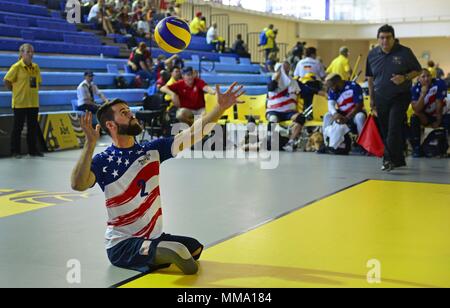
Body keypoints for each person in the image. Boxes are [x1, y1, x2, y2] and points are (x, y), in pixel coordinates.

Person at [70, 83, 245, 274]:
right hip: (122, 245)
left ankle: (153, 255)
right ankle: (154, 255)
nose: (131, 114)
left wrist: (219, 109)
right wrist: (89, 145)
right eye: (124, 113)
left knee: (194, 247)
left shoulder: (152, 149)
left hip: (154, 237)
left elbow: (193, 133)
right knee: (179, 252)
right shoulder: (103, 160)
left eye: (129, 110)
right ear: (111, 125)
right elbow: (78, 184)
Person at [366, 24, 421, 171]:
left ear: (393, 38)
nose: (385, 41)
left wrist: (404, 77)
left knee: (394, 127)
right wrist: (372, 99)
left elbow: (418, 70)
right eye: (382, 38)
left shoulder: (404, 52)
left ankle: (387, 160)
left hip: (400, 96)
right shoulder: (372, 55)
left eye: (388, 37)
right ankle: (398, 160)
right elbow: (370, 78)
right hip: (380, 97)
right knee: (386, 129)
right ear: (378, 39)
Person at [3, 43, 43, 158]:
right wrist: (15, 91)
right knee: (18, 128)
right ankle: (15, 151)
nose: (31, 54)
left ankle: (33, 150)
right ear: (21, 54)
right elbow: (7, 81)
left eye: (32, 51)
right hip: (20, 103)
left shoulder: (36, 67)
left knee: (32, 128)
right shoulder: (16, 67)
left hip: (33, 102)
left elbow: (38, 82)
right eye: (28, 51)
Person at [266, 62, 306, 152]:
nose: (285, 70)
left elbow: (307, 89)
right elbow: (271, 88)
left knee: (301, 117)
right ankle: (271, 140)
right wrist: (277, 77)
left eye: (287, 68)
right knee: (273, 119)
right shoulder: (271, 79)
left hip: (289, 112)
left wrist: (321, 92)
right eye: (283, 68)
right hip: (274, 110)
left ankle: (290, 142)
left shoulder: (294, 82)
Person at [410, 69, 449, 157]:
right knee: (414, 118)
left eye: (428, 76)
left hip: (442, 113)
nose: (426, 78)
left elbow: (439, 104)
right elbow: (416, 109)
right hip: (426, 116)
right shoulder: (414, 89)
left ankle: (445, 148)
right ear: (418, 79)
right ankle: (416, 148)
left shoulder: (439, 84)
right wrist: (422, 94)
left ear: (431, 76)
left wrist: (438, 121)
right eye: (423, 77)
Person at [323, 73, 366, 138]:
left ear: (338, 82)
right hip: (342, 114)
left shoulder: (354, 86)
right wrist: (335, 114)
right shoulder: (332, 90)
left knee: (360, 116)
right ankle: (327, 143)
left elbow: (359, 105)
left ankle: (362, 144)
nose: (331, 89)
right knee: (327, 116)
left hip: (355, 113)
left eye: (332, 86)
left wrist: (347, 117)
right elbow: (330, 104)